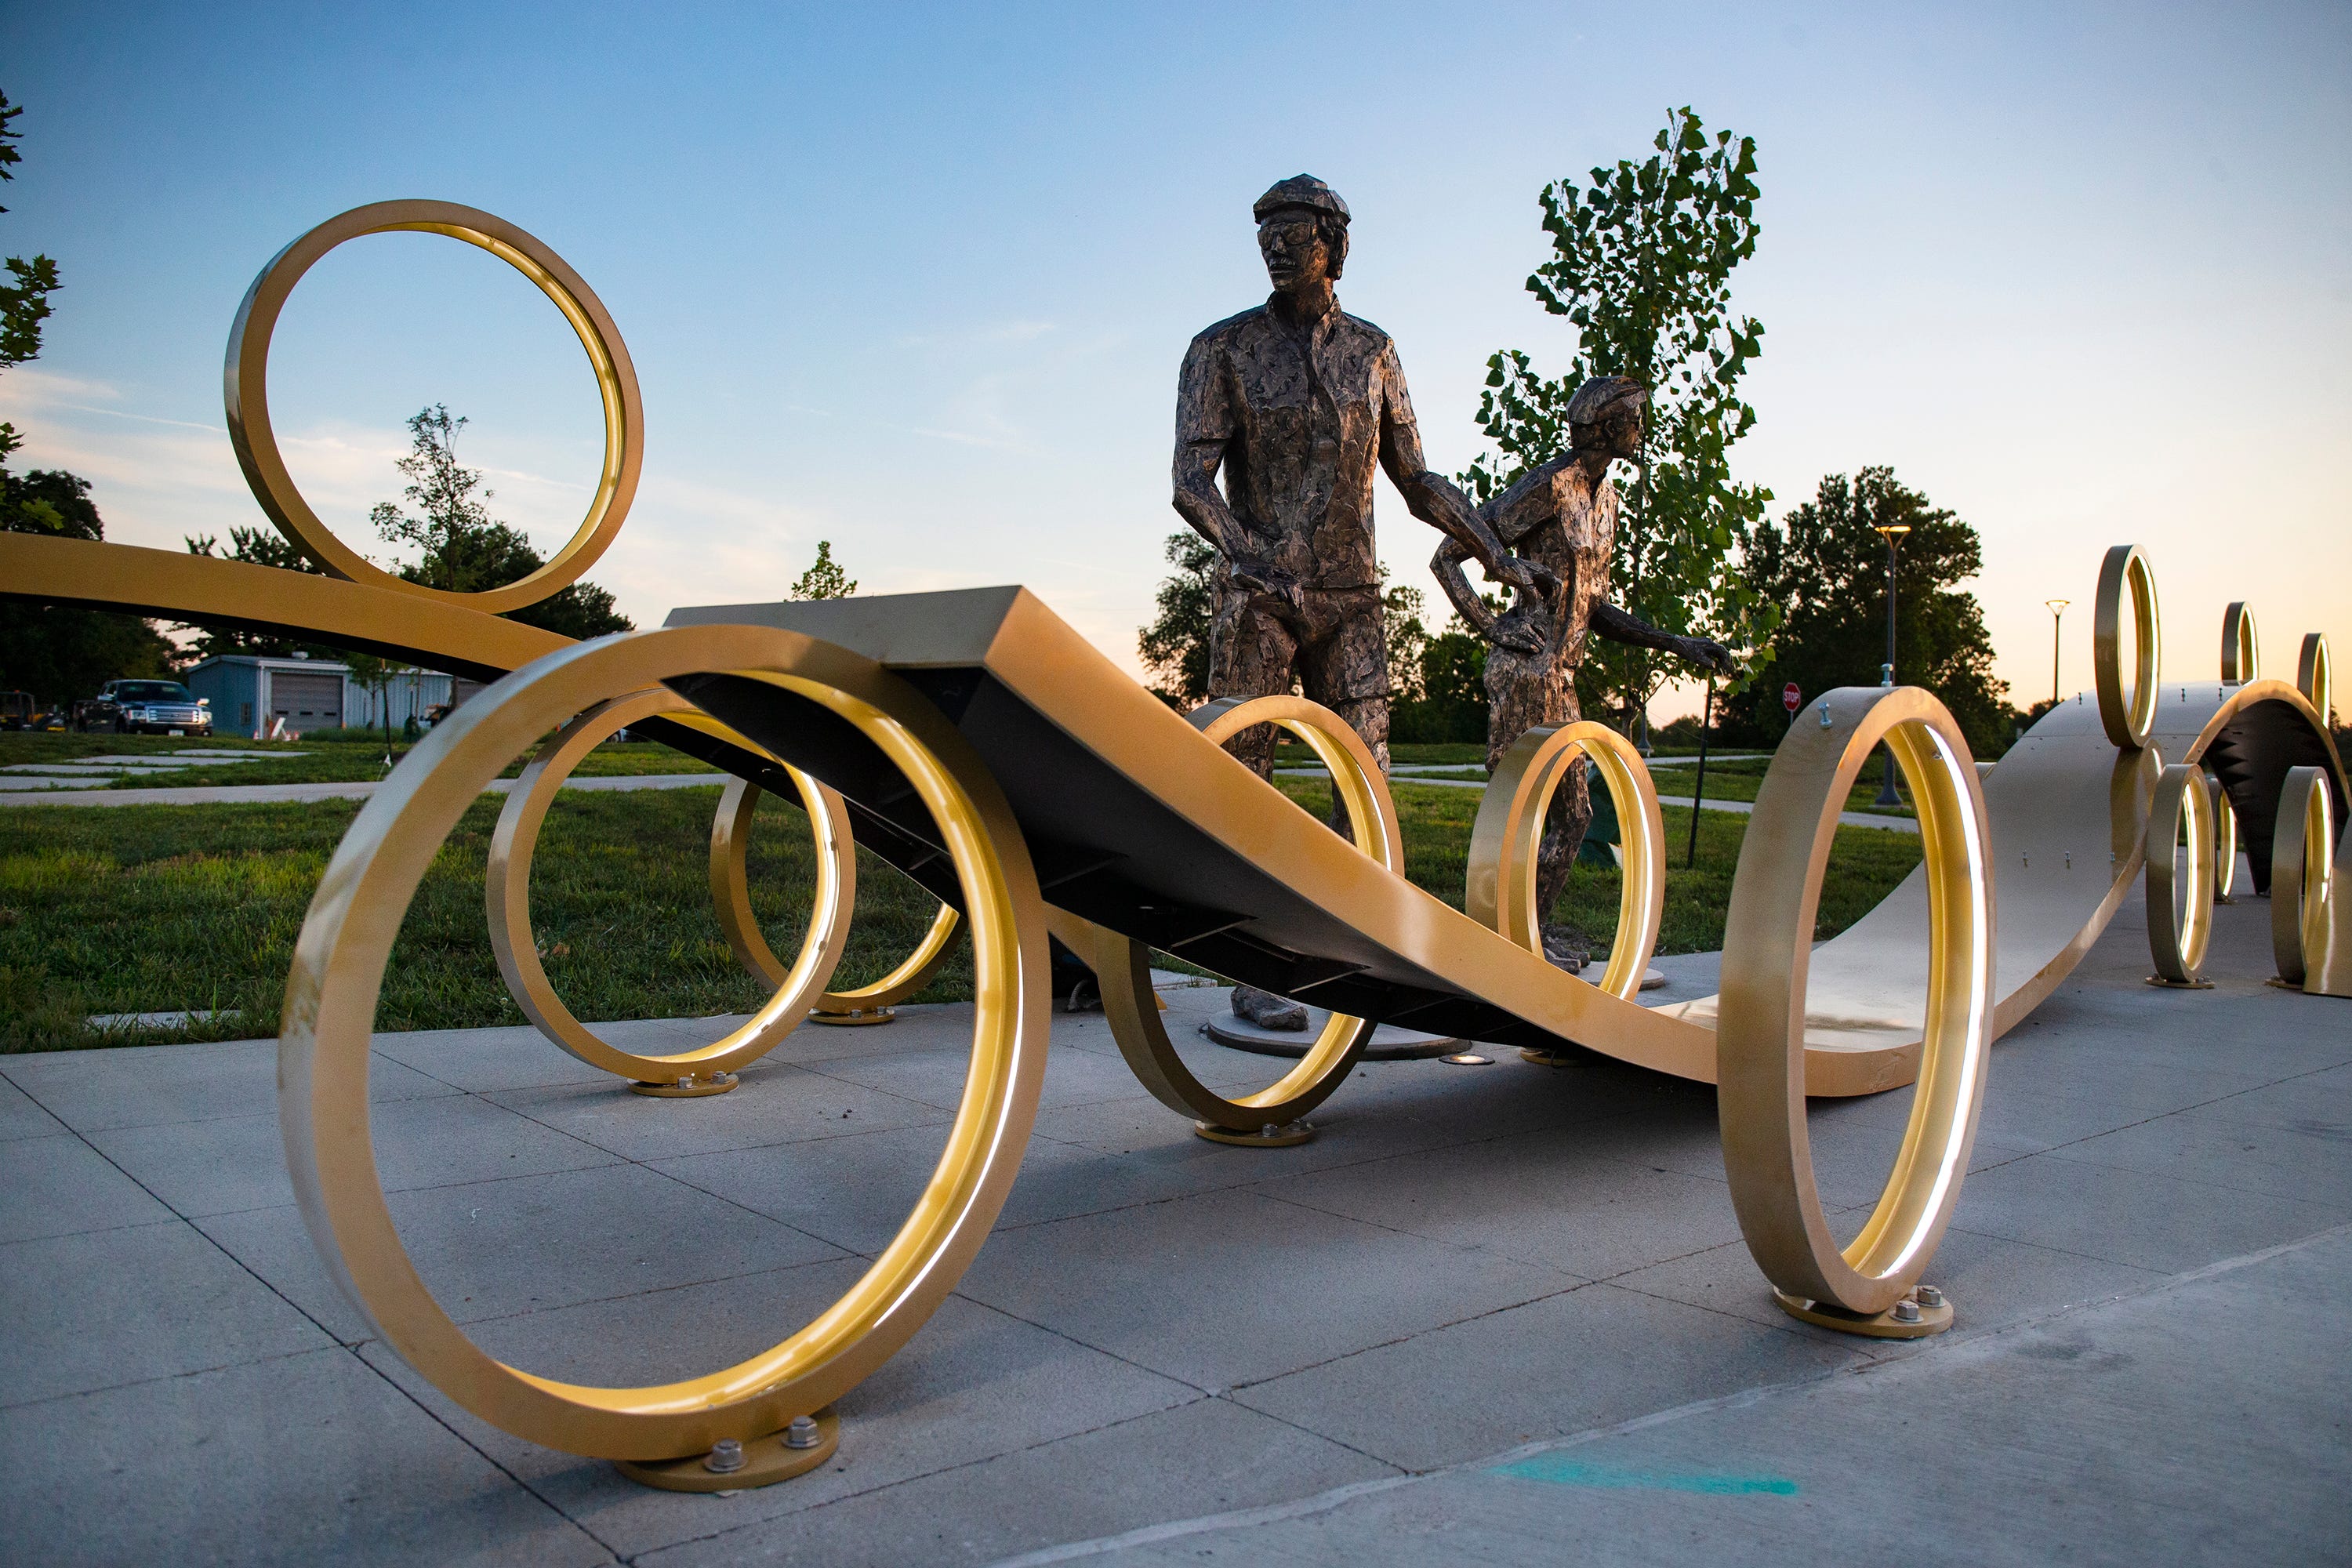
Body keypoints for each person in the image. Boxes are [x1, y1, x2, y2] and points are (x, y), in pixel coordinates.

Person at [1173, 174, 1552, 1029]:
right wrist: (1248, 557)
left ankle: (1367, 949)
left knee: (1368, 781)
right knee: (1247, 778)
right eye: (1264, 231)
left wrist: (1496, 551)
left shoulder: (1375, 353)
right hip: (1259, 600)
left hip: (1353, 601)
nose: (1275, 245)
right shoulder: (1220, 349)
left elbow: (1417, 478)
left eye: (1294, 231)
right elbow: (1188, 482)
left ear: (1334, 245)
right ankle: (1258, 964)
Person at [1432, 375, 1733, 970]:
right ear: (1604, 427)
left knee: (1576, 814)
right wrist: (1491, 625)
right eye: (1633, 418)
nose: (1642, 429)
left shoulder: (1606, 500)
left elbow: (1595, 609)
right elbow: (1449, 554)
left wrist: (1677, 643)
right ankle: (1502, 946)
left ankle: (1530, 935)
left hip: (1561, 679)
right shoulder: (1548, 485)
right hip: (1522, 676)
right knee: (1521, 816)